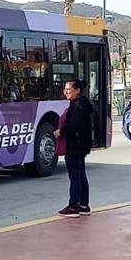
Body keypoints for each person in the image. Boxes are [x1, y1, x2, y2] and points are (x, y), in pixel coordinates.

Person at [54, 79, 94, 217]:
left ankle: (73, 206)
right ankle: (83, 205)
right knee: (80, 175)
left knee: (75, 176)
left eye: (69, 89)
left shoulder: (78, 106)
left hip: (75, 144)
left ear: (77, 90)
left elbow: (76, 125)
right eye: (65, 89)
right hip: (79, 144)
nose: (66, 92)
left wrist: (61, 131)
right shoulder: (80, 104)